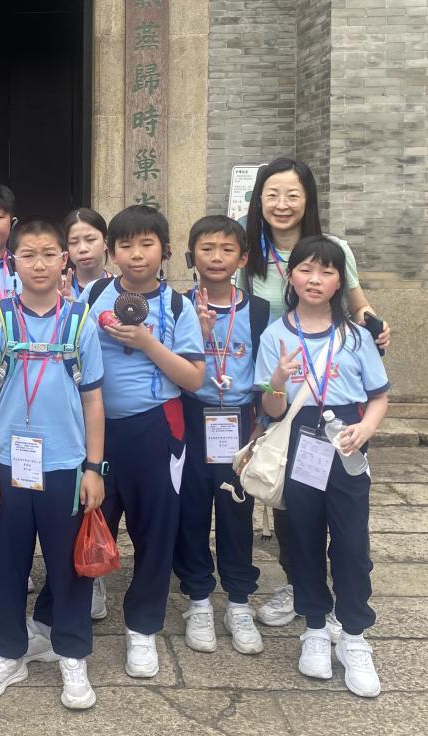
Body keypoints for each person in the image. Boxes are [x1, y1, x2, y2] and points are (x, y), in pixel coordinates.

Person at [241, 158, 389, 633]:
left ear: (308, 199)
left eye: (293, 195)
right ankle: (299, 585)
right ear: (258, 199)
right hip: (275, 377)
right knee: (291, 496)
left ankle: (344, 604)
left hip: (330, 382)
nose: (282, 204)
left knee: (342, 507)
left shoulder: (334, 249)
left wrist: (374, 326)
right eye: (272, 194)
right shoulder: (248, 249)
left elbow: (359, 306)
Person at [0, 218, 106, 710]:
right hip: (7, 465)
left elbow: (94, 400)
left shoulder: (81, 322)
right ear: (14, 262)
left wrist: (94, 467)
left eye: (49, 254)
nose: (40, 264)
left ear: (63, 260)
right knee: (6, 565)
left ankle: (72, 654)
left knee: (69, 568)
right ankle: (6, 653)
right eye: (28, 255)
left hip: (66, 466)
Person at [70, 204, 205, 678]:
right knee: (89, 516)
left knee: (155, 529)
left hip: (157, 428)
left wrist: (148, 343)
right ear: (112, 252)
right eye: (125, 245)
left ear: (164, 250)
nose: (136, 254)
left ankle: (143, 627)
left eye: (147, 244)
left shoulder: (178, 306)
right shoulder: (93, 295)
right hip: (97, 430)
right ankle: (81, 600)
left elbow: (193, 378)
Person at [256, 235, 390, 698]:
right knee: (304, 538)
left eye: (327, 272)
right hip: (299, 441)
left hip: (347, 442)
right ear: (290, 276)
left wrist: (366, 428)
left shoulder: (355, 336)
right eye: (306, 269)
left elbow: (379, 396)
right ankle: (314, 627)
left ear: (339, 282)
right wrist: (277, 379)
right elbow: (272, 410)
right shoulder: (274, 336)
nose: (315, 279)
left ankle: (353, 636)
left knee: (352, 544)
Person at [176, 215, 269, 656]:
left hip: (239, 422)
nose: (216, 257)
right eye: (207, 248)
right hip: (191, 419)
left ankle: (238, 602)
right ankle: (197, 600)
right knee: (191, 512)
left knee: (236, 511)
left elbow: (267, 369)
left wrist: (261, 425)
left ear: (243, 258)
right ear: (191, 255)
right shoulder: (177, 306)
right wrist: (197, 333)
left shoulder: (259, 310)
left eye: (227, 250)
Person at [62, 207, 111, 300]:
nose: (83, 249)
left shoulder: (120, 287)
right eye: (73, 242)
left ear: (105, 243)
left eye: (90, 239)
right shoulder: (59, 288)